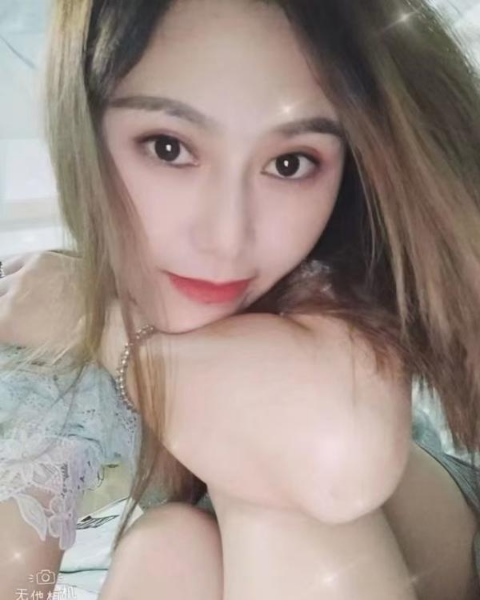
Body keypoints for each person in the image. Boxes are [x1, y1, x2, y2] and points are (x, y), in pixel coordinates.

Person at [0, 0, 480, 598]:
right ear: (83, 137)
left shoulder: (333, 279)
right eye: (169, 148)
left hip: (435, 553)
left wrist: (92, 324)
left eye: (289, 163)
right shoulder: (41, 318)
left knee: (270, 472)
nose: (226, 239)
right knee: (168, 546)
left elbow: (336, 461)